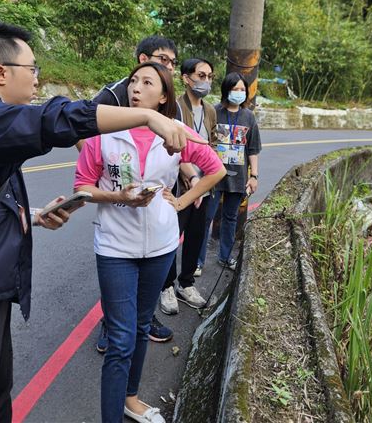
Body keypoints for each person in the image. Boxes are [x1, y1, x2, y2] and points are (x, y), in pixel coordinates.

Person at [0, 20, 199, 423]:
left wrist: (32, 217)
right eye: (32, 70)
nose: (37, 79)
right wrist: (145, 118)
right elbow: (51, 119)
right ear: (0, 73)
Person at [74, 61, 225, 423]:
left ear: (163, 96)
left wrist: (182, 202)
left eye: (147, 82)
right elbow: (82, 188)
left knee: (141, 327)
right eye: (133, 81)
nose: (136, 88)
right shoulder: (104, 136)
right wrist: (117, 198)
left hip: (159, 247)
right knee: (121, 340)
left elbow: (216, 169)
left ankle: (130, 399)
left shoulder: (175, 133)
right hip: (114, 248)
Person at [85, 35, 185, 350]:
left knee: (148, 274)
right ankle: (111, 324)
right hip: (117, 195)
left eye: (171, 61)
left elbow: (185, 152)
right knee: (118, 270)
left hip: (156, 211)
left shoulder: (172, 106)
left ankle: (144, 319)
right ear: (142, 59)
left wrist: (181, 195)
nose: (167, 65)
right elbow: (84, 130)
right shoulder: (114, 95)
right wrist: (101, 169)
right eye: (161, 58)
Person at [158, 58, 217, 314]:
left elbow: (212, 146)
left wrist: (206, 181)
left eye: (209, 77)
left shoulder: (211, 111)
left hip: (206, 185)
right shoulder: (175, 108)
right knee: (172, 237)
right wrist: (192, 177)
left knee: (196, 235)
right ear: (185, 78)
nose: (205, 81)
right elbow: (174, 150)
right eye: (200, 75)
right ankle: (167, 286)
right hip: (183, 185)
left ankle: (186, 283)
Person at [206, 72, 261, 271]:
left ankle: (226, 256)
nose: (239, 93)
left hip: (238, 179)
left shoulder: (248, 117)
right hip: (213, 176)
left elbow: (253, 149)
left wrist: (253, 176)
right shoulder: (213, 112)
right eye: (234, 89)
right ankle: (197, 261)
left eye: (242, 89)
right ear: (225, 90)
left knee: (230, 218)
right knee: (206, 217)